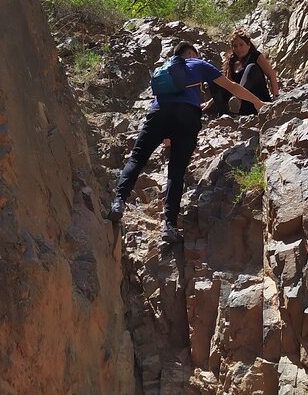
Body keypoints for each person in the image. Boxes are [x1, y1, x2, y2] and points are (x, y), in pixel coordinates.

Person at [107, 41, 266, 243]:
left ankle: (118, 202)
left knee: (137, 159)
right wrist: (257, 102)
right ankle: (169, 227)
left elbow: (161, 98)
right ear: (190, 53)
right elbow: (231, 86)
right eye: (196, 53)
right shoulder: (199, 65)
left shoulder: (164, 70)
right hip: (187, 116)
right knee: (177, 170)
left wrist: (165, 134)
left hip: (158, 113)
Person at [205, 29, 280, 115]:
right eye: (235, 46)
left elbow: (272, 75)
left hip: (258, 102)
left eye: (241, 45)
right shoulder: (231, 61)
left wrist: (276, 98)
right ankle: (225, 114)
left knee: (252, 67)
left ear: (248, 45)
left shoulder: (256, 56)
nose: (238, 48)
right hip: (239, 107)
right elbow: (227, 84)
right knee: (214, 79)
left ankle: (238, 98)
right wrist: (211, 102)